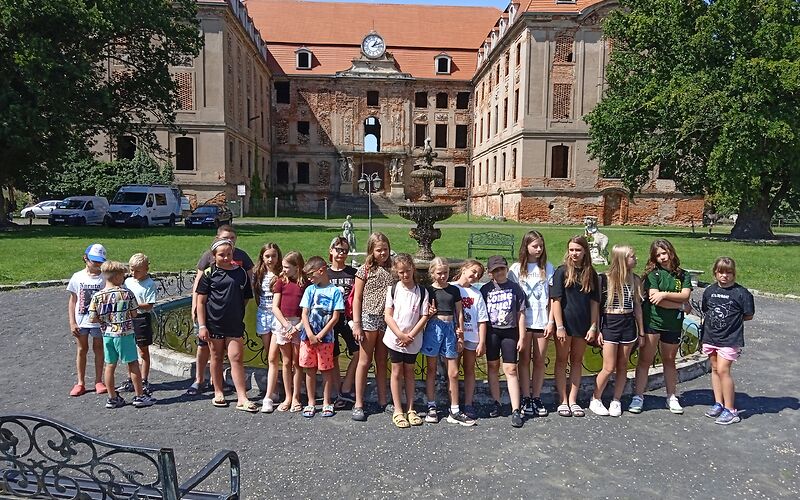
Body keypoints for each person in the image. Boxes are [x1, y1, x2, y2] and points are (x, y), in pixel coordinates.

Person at [187, 225, 254, 396]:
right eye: (222, 255)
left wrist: (237, 308)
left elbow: (247, 291)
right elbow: (199, 291)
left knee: (235, 356)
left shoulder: (240, 266)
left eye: (229, 254)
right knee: (210, 352)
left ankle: (240, 395)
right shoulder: (209, 271)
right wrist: (199, 316)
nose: (225, 257)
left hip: (233, 321)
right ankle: (202, 381)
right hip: (213, 320)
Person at [630, 239, 692, 414]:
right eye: (658, 255)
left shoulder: (683, 275)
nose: (662, 257)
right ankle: (638, 396)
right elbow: (656, 300)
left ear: (671, 252)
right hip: (653, 322)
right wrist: (680, 304)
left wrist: (666, 295)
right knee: (645, 360)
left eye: (664, 253)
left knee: (669, 360)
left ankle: (671, 396)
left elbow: (685, 294)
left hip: (673, 324)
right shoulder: (653, 275)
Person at [88, 260, 155, 409]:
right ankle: (139, 395)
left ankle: (112, 398)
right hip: (124, 334)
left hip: (107, 335)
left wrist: (105, 322)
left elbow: (92, 317)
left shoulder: (97, 296)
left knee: (110, 365)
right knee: (133, 364)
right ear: (118, 276)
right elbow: (134, 313)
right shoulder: (126, 294)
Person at [589, 245, 644, 417]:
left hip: (627, 323)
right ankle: (595, 398)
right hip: (610, 322)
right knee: (608, 366)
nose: (636, 260)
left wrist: (641, 332)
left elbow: (637, 307)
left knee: (623, 364)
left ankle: (616, 399)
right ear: (622, 259)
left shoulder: (634, 279)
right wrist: (596, 328)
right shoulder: (604, 279)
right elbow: (596, 306)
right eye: (632, 257)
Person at [550, 236, 600, 418]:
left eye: (577, 250)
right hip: (565, 323)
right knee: (562, 361)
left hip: (583, 324)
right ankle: (562, 399)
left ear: (585, 251)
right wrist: (559, 325)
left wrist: (594, 326)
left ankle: (573, 399)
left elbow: (595, 302)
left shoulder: (591, 273)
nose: (574, 253)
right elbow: (556, 300)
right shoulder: (561, 271)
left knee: (577, 361)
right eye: (571, 250)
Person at [701, 257, 754, 425]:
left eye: (728, 272)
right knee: (715, 369)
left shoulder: (742, 293)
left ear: (734, 274)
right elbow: (706, 310)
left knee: (724, 370)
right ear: (715, 273)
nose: (724, 276)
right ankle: (719, 403)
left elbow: (748, 315)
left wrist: (731, 324)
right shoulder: (709, 291)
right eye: (721, 272)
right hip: (711, 336)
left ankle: (731, 410)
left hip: (730, 338)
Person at [508, 230, 555, 418]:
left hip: (542, 321)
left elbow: (552, 298)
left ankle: (536, 396)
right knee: (524, 361)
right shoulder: (516, 269)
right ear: (526, 247)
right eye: (535, 246)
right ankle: (526, 396)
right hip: (523, 322)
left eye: (541, 246)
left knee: (540, 361)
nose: (538, 249)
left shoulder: (548, 268)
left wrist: (551, 321)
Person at [421, 257, 473, 426]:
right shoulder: (428, 291)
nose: (443, 276)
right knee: (431, 368)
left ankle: (455, 409)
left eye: (445, 273)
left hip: (450, 327)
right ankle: (431, 406)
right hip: (434, 327)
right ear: (432, 273)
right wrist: (429, 313)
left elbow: (459, 312)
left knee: (454, 371)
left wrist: (461, 333)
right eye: (439, 273)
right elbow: (423, 314)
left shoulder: (454, 290)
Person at [351, 232, 395, 422]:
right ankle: (358, 403)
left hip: (386, 319)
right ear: (371, 250)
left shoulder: (393, 269)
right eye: (379, 250)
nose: (383, 253)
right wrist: (357, 324)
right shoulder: (364, 270)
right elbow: (357, 298)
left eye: (385, 249)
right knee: (364, 361)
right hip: (368, 317)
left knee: (382, 361)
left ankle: (383, 400)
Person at [480, 255, 528, 428]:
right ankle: (497, 402)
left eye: (502, 269)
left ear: (507, 269)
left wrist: (522, 336)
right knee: (492, 366)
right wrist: (481, 340)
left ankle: (516, 409)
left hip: (510, 332)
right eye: (495, 270)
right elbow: (481, 317)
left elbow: (521, 314)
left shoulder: (515, 288)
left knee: (511, 369)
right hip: (492, 332)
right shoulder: (485, 290)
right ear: (490, 272)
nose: (499, 272)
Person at [384, 253, 430, 428]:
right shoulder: (393, 289)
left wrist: (410, 336)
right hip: (395, 338)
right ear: (397, 272)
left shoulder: (422, 291)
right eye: (401, 272)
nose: (405, 275)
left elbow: (424, 316)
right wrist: (400, 335)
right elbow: (388, 315)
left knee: (410, 372)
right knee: (396, 372)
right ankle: (398, 409)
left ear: (413, 269)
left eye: (408, 271)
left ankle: (411, 408)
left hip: (413, 339)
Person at [299, 256, 344, 418]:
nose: (309, 279)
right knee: (309, 369)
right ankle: (311, 402)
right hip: (307, 337)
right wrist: (310, 334)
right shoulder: (309, 290)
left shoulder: (335, 291)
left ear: (321, 270)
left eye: (311, 275)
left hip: (326, 338)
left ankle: (326, 401)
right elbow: (304, 313)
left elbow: (335, 317)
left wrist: (320, 335)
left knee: (326, 370)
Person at [66, 243, 108, 397]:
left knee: (99, 349)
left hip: (99, 321)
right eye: (94, 261)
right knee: (82, 349)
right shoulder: (77, 277)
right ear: (85, 258)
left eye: (100, 262)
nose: (97, 265)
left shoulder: (105, 278)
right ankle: (80, 382)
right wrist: (72, 322)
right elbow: (73, 300)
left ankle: (98, 380)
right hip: (81, 320)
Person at [450, 259, 488, 421]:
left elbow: (482, 319)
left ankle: (468, 403)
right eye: (473, 271)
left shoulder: (476, 294)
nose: (475, 275)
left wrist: (482, 341)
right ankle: (453, 404)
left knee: (469, 370)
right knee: (453, 372)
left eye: (478, 275)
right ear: (464, 269)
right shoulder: (451, 287)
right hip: (453, 335)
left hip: (472, 336)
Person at [326, 236, 359, 409]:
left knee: (358, 352)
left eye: (345, 250)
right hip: (330, 320)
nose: (341, 253)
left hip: (348, 319)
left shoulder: (353, 273)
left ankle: (346, 385)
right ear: (331, 251)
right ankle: (339, 392)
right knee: (333, 356)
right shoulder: (325, 273)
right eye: (338, 249)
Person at [271, 251, 307, 412]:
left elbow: (308, 309)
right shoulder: (280, 281)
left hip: (299, 323)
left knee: (297, 362)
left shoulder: (304, 283)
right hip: (283, 323)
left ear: (297, 267)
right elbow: (275, 307)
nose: (283, 269)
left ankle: (296, 397)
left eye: (287, 267)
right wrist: (286, 326)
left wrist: (297, 327)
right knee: (286, 362)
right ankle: (288, 396)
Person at [118, 253, 158, 396]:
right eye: (131, 270)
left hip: (141, 318)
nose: (133, 273)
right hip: (128, 318)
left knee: (143, 350)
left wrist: (132, 305)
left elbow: (149, 305)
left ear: (146, 269)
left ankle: (144, 379)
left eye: (137, 271)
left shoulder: (149, 284)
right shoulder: (129, 281)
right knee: (130, 349)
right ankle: (131, 377)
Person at [253, 242, 282, 413]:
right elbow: (257, 294)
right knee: (269, 355)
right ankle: (276, 388)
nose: (271, 259)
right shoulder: (259, 273)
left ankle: (268, 396)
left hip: (277, 317)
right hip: (263, 315)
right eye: (267, 256)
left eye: (274, 256)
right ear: (262, 257)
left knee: (272, 357)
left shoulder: (281, 274)